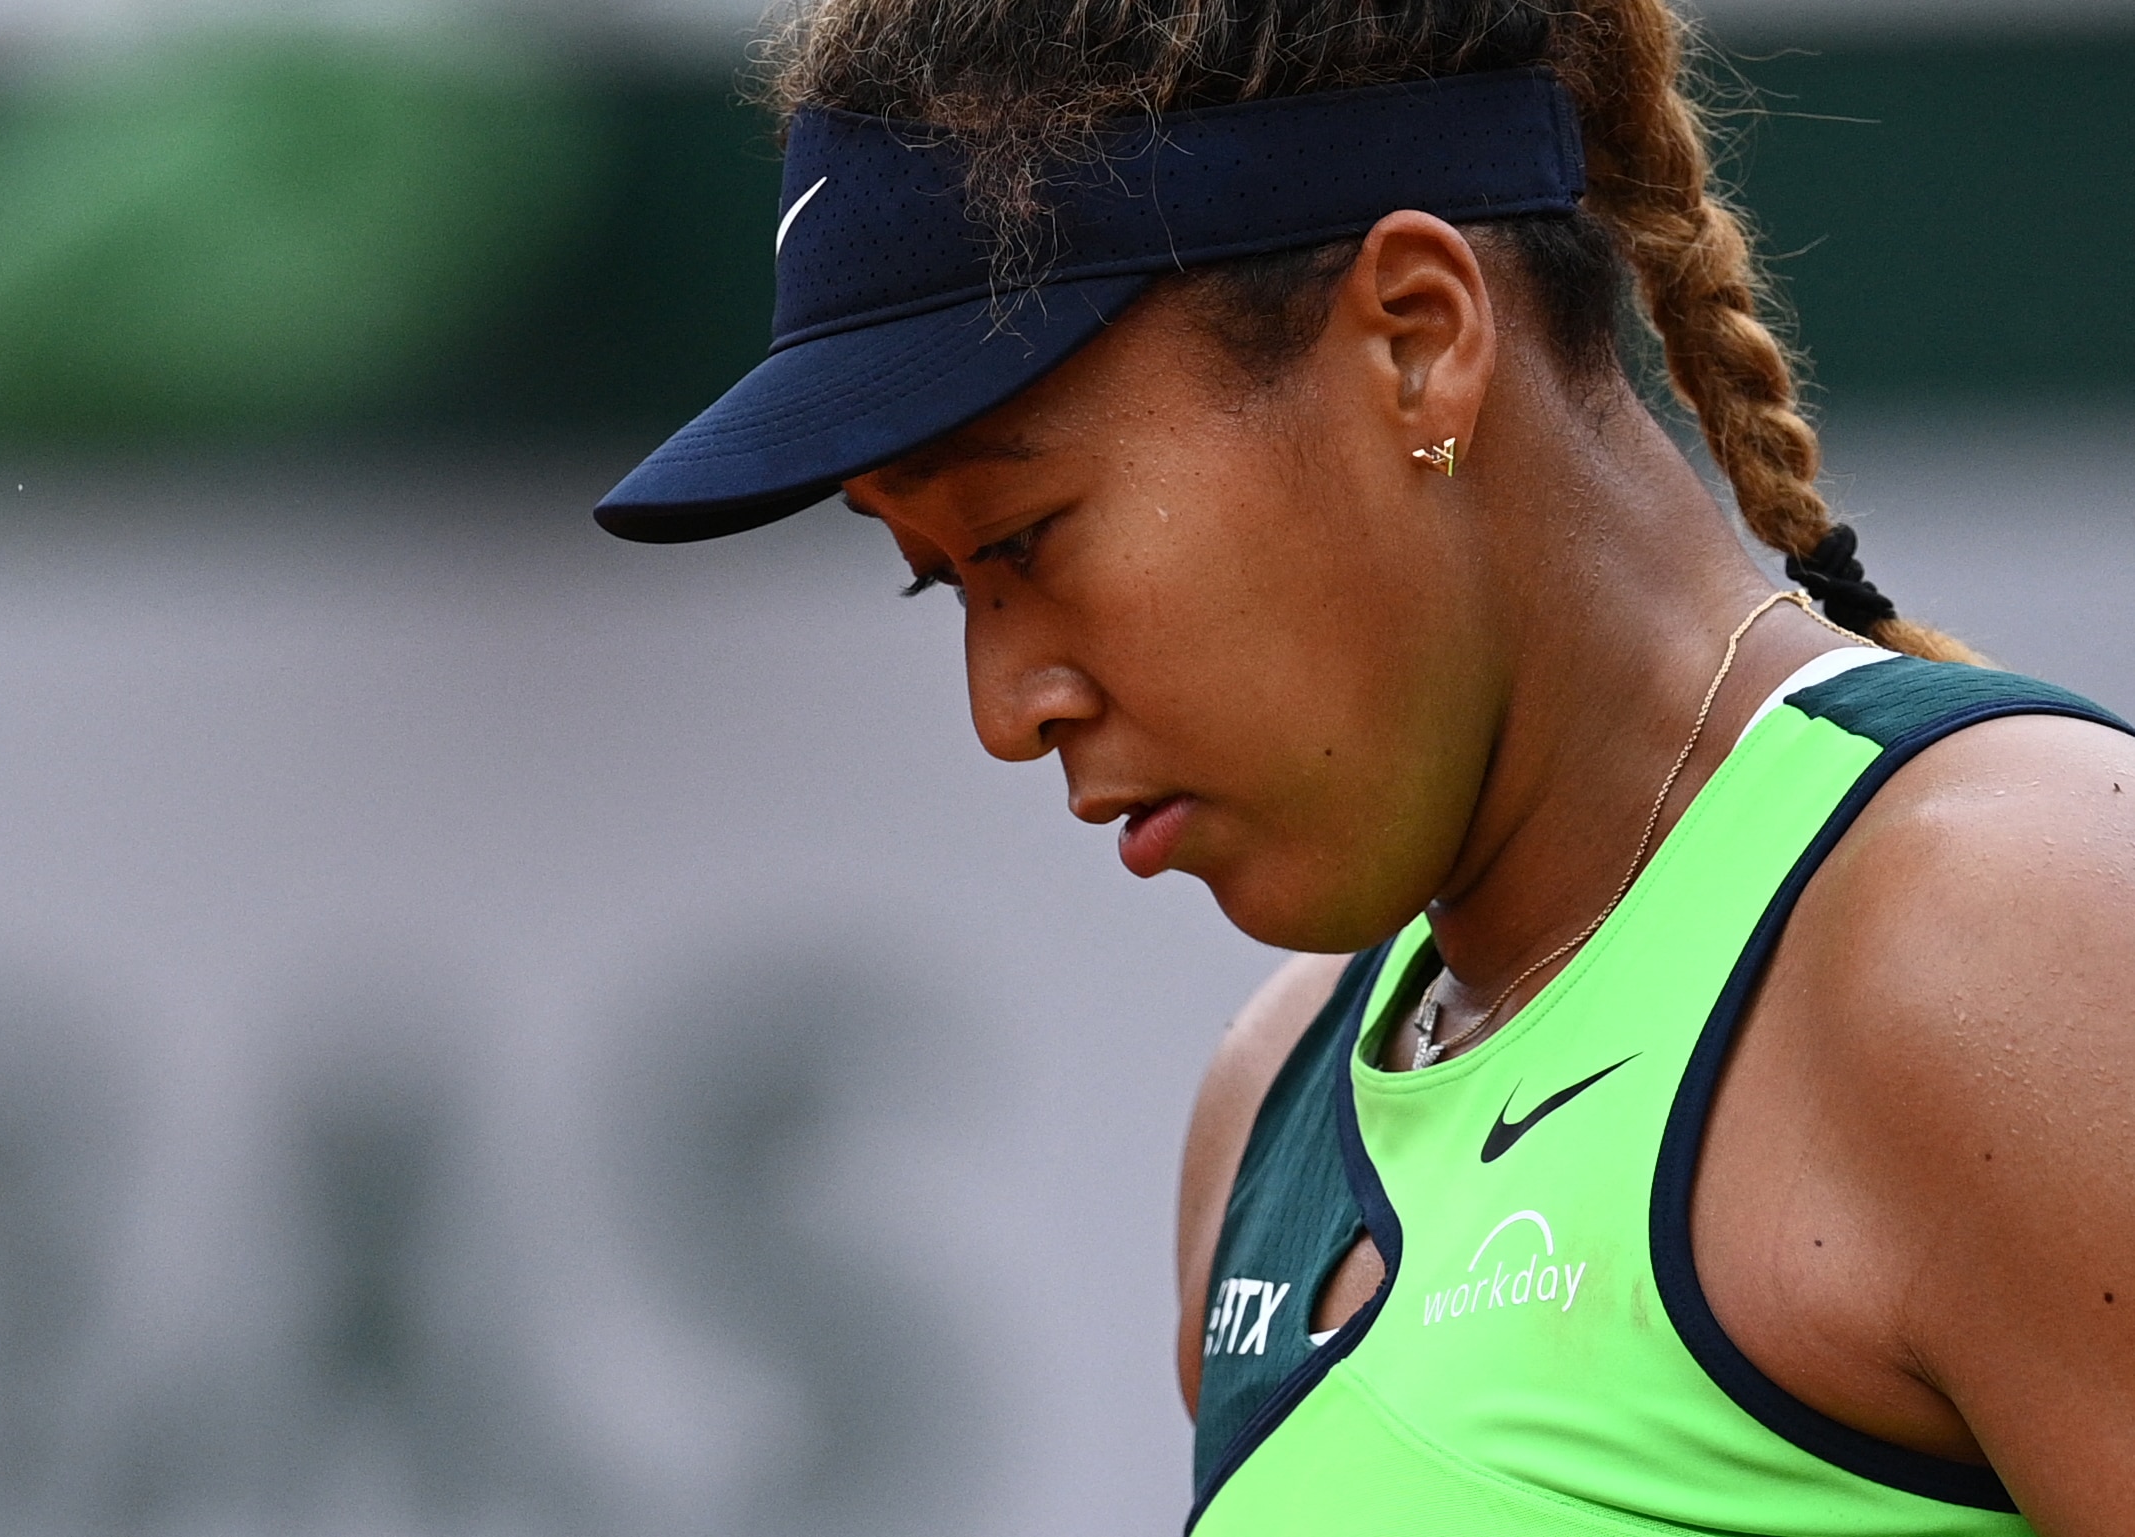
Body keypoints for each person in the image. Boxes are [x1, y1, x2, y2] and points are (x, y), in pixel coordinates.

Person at [594, 0, 2135, 1530]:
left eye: (1020, 536)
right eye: (940, 579)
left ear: (1415, 340)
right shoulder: (1268, 1106)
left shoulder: (2020, 930)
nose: (1005, 705)